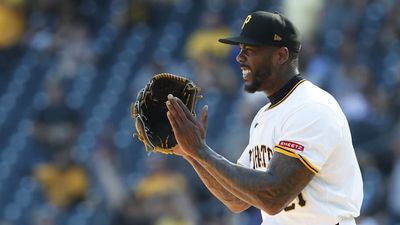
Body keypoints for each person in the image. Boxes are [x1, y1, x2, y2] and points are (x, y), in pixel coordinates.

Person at [165, 11, 363, 225]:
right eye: (240, 50)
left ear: (281, 55)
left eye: (250, 50)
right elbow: (236, 199)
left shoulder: (312, 107)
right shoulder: (264, 115)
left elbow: (274, 197)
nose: (239, 58)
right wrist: (190, 153)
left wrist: (201, 151)